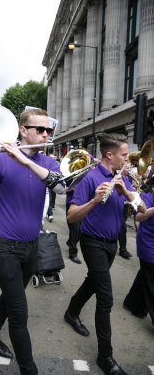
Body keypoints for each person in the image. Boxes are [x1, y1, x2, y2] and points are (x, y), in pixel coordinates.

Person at [0, 108, 65, 375]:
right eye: (41, 130)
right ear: (23, 131)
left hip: (31, 245)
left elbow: (60, 186)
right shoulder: (0, 161)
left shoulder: (47, 162)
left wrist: (26, 161)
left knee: (13, 295)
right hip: (3, 246)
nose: (47, 134)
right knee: (19, 312)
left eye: (49, 130)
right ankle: (29, 369)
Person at [65, 133, 146, 375]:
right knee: (105, 297)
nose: (127, 159)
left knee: (93, 281)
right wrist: (94, 201)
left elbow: (141, 209)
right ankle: (105, 356)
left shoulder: (121, 178)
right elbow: (71, 216)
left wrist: (126, 193)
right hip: (92, 243)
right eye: (124, 155)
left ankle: (71, 312)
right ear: (109, 155)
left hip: (112, 244)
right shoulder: (90, 178)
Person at [123, 190, 154, 325]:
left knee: (145, 275)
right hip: (148, 243)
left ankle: (132, 304)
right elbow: (139, 217)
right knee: (152, 281)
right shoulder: (149, 195)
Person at [117, 162, 133, 259]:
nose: (129, 170)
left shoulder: (128, 178)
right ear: (122, 169)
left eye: (130, 168)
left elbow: (130, 189)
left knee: (121, 227)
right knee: (123, 228)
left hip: (126, 206)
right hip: (120, 206)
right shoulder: (120, 178)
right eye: (127, 168)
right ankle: (123, 250)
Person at [66, 188, 81, 264]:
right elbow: (64, 188)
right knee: (75, 229)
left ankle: (70, 242)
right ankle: (73, 253)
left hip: (84, 203)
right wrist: (73, 188)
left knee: (81, 230)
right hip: (72, 202)